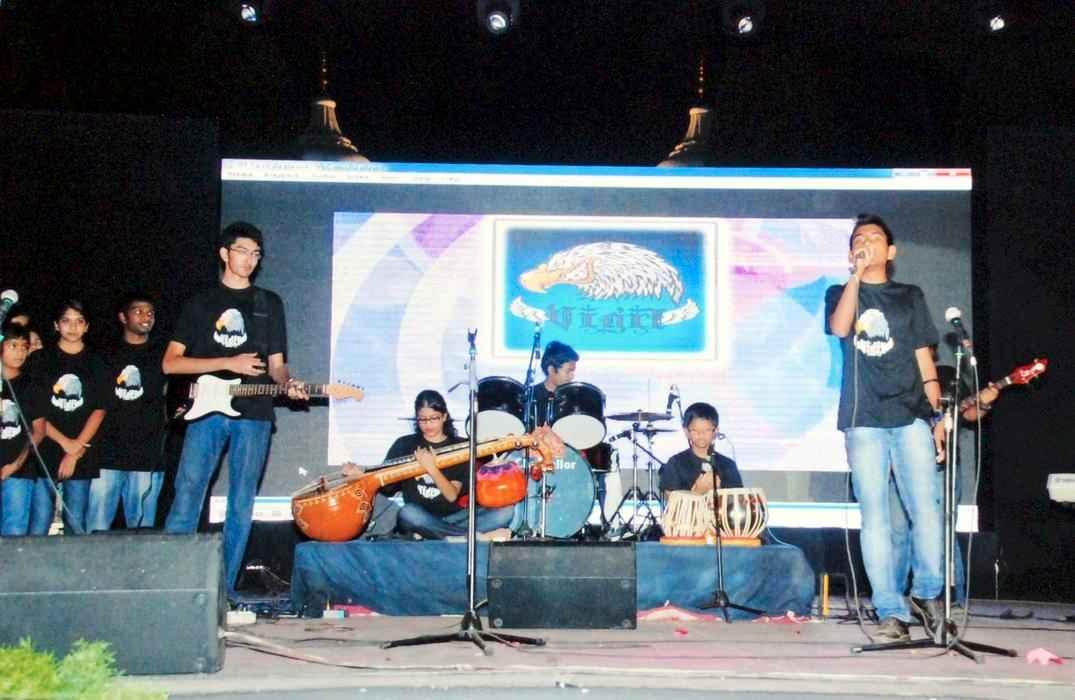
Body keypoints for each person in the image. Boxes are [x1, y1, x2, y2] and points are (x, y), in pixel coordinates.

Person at [163, 221, 308, 600]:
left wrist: (287, 383)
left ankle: (222, 590)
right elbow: (171, 363)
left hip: (254, 412)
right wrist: (228, 362)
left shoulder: (268, 303)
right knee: (189, 492)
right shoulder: (201, 302)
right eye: (242, 251)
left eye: (256, 254)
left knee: (241, 501)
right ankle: (172, 584)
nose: (250, 260)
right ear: (224, 253)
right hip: (206, 412)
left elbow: (277, 365)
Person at [824, 214, 946, 643]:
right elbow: (840, 327)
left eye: (875, 238)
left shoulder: (910, 295)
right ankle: (890, 611)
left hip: (910, 415)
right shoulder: (841, 292)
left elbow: (923, 357)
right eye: (859, 239)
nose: (867, 242)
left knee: (926, 510)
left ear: (891, 251)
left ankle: (927, 593)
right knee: (874, 517)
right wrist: (855, 276)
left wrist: (936, 416)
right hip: (864, 420)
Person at [890, 364, 1002, 606]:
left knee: (941, 534)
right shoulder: (897, 370)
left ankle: (950, 601)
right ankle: (893, 602)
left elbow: (969, 415)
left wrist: (985, 403)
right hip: (900, 464)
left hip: (941, 468)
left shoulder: (948, 375)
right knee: (897, 534)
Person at [346, 390, 513, 540]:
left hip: (455, 518)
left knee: (506, 512)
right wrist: (361, 474)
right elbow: (385, 485)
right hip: (420, 517)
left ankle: (440, 536)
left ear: (444, 416)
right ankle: (470, 537)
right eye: (422, 419)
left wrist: (431, 468)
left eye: (434, 418)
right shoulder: (404, 444)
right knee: (407, 512)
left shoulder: (461, 447)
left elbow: (451, 495)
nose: (428, 424)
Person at [86, 294, 167, 532]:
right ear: (123, 317)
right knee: (96, 528)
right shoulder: (104, 355)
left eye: (150, 312)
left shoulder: (164, 355)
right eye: (138, 311)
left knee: (142, 532)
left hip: (147, 454)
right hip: (107, 454)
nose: (146, 317)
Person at [30, 300, 110, 535]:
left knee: (76, 520)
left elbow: (100, 409)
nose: (73, 327)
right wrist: (65, 443)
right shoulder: (40, 360)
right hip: (46, 447)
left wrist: (75, 450)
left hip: (82, 449)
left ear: (87, 326)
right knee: (40, 520)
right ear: (56, 325)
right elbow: (35, 410)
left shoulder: (97, 361)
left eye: (79, 321)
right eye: (66, 321)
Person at [0, 323, 47, 535]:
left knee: (14, 529)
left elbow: (39, 430)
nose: (20, 352)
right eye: (13, 345)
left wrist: (16, 464)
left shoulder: (31, 385)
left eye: (24, 347)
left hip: (19, 471)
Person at [658, 402, 743, 497]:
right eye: (695, 430)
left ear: (715, 431)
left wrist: (719, 493)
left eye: (707, 430)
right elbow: (672, 502)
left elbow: (737, 500)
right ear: (686, 432)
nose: (701, 434)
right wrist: (698, 491)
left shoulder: (728, 465)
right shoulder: (675, 463)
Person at [529, 341, 578, 429]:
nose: (572, 376)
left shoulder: (574, 398)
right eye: (568, 371)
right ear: (551, 370)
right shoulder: (530, 396)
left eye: (573, 371)